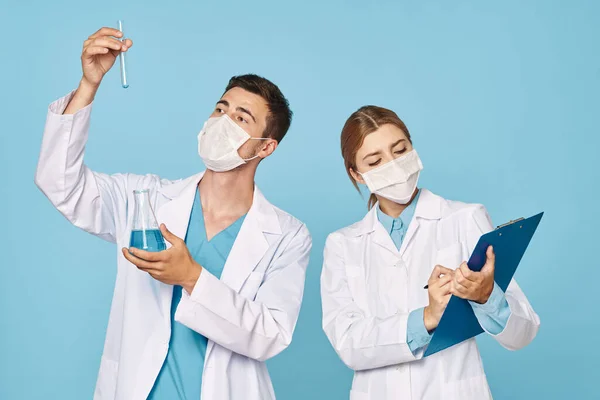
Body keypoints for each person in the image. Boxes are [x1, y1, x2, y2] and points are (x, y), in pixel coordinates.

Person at [35, 26, 311, 400]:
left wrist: (193, 277)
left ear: (266, 148)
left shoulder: (289, 235)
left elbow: (271, 335)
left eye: (241, 118)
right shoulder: (145, 198)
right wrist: (88, 84)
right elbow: (59, 182)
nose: (223, 121)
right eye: (220, 108)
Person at [320, 106, 540, 400]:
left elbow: (523, 333)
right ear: (357, 174)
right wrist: (427, 317)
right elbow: (348, 344)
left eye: (400, 150)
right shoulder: (342, 244)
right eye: (375, 161)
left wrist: (488, 298)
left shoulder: (465, 218)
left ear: (413, 148)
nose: (394, 166)